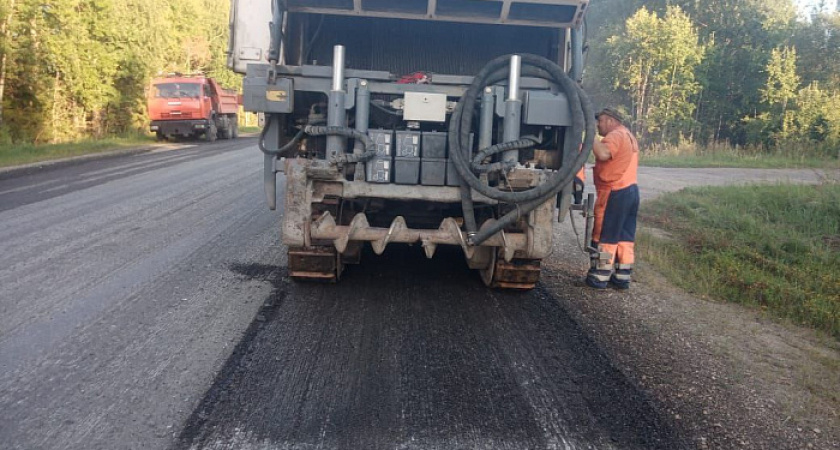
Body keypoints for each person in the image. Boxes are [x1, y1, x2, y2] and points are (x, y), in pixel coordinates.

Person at [586, 107, 639, 289]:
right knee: (624, 236)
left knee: (606, 234)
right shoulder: (628, 135)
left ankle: (599, 277)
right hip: (631, 190)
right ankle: (622, 276)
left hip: (615, 191)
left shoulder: (615, 136)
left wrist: (590, 137)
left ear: (610, 120)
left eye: (599, 121)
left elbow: (603, 153)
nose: (598, 125)